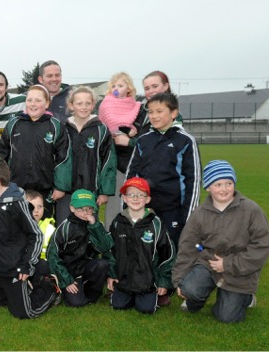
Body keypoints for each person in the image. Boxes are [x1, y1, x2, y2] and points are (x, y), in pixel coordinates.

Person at [172, 160, 269, 323]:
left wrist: (228, 264)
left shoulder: (251, 210)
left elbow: (261, 247)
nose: (224, 189)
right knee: (190, 288)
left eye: (228, 183)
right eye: (218, 184)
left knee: (227, 316)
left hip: (239, 269)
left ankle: (245, 298)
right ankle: (195, 301)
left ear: (234, 184)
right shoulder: (200, 213)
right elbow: (188, 246)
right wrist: (179, 279)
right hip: (208, 263)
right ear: (208, 187)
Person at [0, 156, 61, 319]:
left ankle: (49, 288)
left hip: (11, 269)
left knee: (25, 313)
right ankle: (16, 294)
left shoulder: (17, 204)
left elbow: (36, 235)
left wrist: (26, 266)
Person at [126, 92, 200, 252]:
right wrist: (127, 207)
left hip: (173, 211)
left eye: (159, 111)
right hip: (145, 209)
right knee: (144, 251)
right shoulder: (143, 140)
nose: (154, 116)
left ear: (174, 113)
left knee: (171, 252)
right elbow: (131, 176)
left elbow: (192, 182)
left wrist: (187, 219)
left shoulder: (185, 141)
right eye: (151, 112)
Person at [106, 70, 181, 229]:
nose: (151, 91)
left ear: (166, 86)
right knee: (130, 218)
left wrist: (130, 141)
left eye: (155, 86)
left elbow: (158, 143)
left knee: (157, 223)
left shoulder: (172, 116)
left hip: (161, 177)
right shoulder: (139, 110)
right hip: (130, 169)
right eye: (147, 88)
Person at [0, 84, 71, 219]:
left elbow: (64, 158)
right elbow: (2, 154)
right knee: (17, 225)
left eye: (38, 100)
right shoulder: (14, 124)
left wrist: (60, 187)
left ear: (47, 103)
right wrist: (2, 184)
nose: (33, 104)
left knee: (42, 224)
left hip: (45, 189)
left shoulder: (55, 125)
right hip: (17, 188)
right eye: (30, 100)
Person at [106, 177, 175, 314]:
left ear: (147, 199)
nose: (135, 198)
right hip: (124, 280)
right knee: (118, 306)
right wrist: (111, 274)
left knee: (146, 309)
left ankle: (151, 295)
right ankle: (125, 294)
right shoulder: (118, 222)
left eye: (140, 195)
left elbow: (168, 253)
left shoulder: (156, 223)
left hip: (147, 282)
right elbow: (110, 250)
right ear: (124, 198)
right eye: (131, 194)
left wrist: (163, 281)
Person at [56, 87, 116, 224]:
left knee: (88, 229)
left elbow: (109, 161)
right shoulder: (63, 128)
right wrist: (58, 186)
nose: (84, 107)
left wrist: (104, 191)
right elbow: (57, 159)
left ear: (93, 105)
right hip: (66, 191)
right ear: (71, 105)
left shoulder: (101, 129)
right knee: (64, 227)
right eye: (79, 103)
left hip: (90, 189)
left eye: (87, 103)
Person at [47, 189, 113, 307]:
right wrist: (66, 280)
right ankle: (64, 288)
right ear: (72, 208)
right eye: (81, 209)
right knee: (77, 303)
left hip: (86, 267)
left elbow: (106, 247)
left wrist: (95, 226)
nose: (85, 213)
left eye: (89, 209)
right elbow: (52, 256)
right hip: (68, 271)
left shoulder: (96, 225)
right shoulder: (64, 229)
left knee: (101, 264)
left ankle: (90, 292)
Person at [98, 72, 141, 136]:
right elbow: (110, 122)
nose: (116, 88)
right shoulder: (107, 102)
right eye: (113, 86)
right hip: (111, 140)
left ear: (128, 89)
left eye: (120, 86)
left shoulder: (133, 104)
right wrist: (127, 130)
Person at [25, 190, 55, 260]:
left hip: (43, 265)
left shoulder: (50, 229)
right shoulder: (15, 227)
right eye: (32, 207)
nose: (36, 210)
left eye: (40, 206)